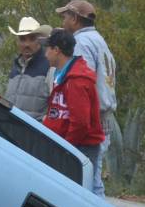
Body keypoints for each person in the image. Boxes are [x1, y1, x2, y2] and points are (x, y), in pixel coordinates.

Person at [56, 0, 116, 196]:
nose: (63, 21)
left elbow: (83, 84)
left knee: (88, 184)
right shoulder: (99, 40)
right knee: (93, 178)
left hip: (91, 120)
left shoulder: (81, 43)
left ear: (74, 18)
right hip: (103, 116)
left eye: (65, 16)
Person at [42, 29, 106, 196]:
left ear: (57, 50)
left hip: (79, 148)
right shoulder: (63, 76)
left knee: (79, 195)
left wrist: (66, 148)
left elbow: (80, 123)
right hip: (68, 145)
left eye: (47, 48)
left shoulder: (76, 80)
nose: (45, 53)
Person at [3, 16, 53, 120]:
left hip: (36, 128)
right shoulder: (16, 66)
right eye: (22, 39)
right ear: (17, 42)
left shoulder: (49, 65)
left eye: (32, 39)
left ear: (39, 41)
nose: (27, 44)